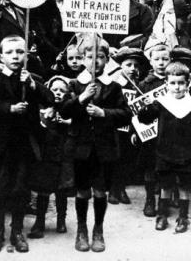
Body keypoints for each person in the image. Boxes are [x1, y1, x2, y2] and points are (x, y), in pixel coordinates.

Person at [0, 35, 55, 252]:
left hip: (23, 143)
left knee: (21, 188)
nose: (15, 56)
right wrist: (9, 109)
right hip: (0, 143)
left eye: (20, 52)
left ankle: (17, 231)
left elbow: (49, 98)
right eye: (10, 52)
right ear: (1, 57)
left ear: (27, 55)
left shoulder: (30, 78)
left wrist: (32, 84)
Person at [61, 38, 130, 253]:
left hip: (105, 148)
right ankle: (82, 229)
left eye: (100, 57)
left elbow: (126, 115)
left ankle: (98, 229)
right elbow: (63, 110)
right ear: (82, 59)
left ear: (107, 60)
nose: (94, 62)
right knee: (82, 192)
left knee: (100, 191)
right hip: (81, 148)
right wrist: (81, 98)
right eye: (90, 57)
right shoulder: (74, 84)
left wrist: (104, 113)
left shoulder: (114, 87)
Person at [138, 62, 191, 233]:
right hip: (165, 151)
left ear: (188, 83)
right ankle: (162, 215)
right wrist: (147, 106)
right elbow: (144, 119)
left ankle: (183, 217)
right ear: (166, 84)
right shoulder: (161, 103)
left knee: (185, 186)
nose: (177, 87)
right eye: (172, 83)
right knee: (165, 185)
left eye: (181, 83)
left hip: (188, 152)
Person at [28, 75, 74, 239]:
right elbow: (36, 130)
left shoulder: (70, 108)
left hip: (63, 154)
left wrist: (67, 122)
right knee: (43, 189)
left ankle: (61, 220)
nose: (58, 93)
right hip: (47, 154)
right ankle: (39, 222)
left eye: (62, 90)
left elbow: (77, 126)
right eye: (54, 90)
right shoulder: (43, 108)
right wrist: (45, 120)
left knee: (61, 190)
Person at [109, 47, 148, 205]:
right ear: (121, 66)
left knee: (126, 157)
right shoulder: (112, 84)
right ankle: (113, 189)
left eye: (136, 66)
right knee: (114, 157)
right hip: (114, 126)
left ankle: (121, 188)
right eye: (129, 65)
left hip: (130, 128)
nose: (133, 68)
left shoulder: (137, 85)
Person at [138, 44, 171, 217]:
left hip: (169, 133)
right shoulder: (143, 84)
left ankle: (164, 200)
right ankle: (150, 198)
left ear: (170, 60)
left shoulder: (174, 82)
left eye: (165, 59)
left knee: (166, 167)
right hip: (150, 134)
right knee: (150, 167)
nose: (161, 62)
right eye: (157, 59)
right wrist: (134, 133)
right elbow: (135, 110)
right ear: (150, 61)